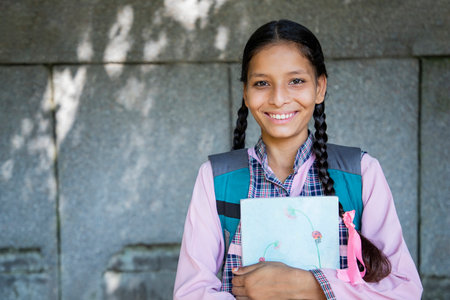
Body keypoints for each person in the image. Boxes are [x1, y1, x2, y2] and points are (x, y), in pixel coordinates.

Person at [173, 19, 422, 299]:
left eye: (296, 81)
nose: (279, 99)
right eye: (262, 83)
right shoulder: (216, 178)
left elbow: (405, 290)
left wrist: (310, 286)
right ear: (245, 92)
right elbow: (191, 293)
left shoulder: (361, 173)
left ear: (320, 88)